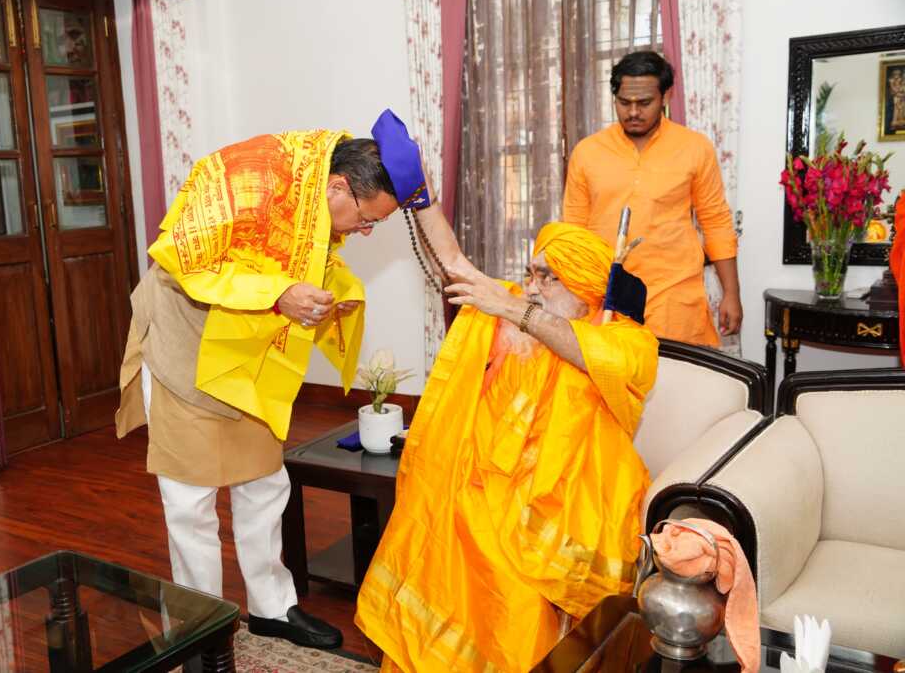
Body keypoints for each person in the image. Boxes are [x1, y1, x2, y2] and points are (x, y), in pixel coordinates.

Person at [115, 111, 430, 649]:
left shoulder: (318, 194)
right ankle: (200, 626)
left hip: (249, 348)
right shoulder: (245, 178)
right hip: (186, 341)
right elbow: (187, 263)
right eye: (367, 220)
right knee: (191, 500)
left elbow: (302, 258)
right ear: (339, 187)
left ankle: (271, 607)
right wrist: (281, 295)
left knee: (263, 483)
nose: (364, 232)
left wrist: (329, 294)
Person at [355, 201, 659, 671]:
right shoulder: (510, 317)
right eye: (530, 274)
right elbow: (454, 262)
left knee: (511, 586)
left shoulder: (626, 342)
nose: (531, 287)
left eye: (547, 278)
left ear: (585, 288)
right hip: (485, 486)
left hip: (567, 508)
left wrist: (515, 308)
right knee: (435, 533)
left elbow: (593, 355)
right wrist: (420, 197)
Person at [563, 50, 742, 347]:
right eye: (624, 102)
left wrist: (731, 294)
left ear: (666, 96)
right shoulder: (587, 152)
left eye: (644, 103)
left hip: (673, 297)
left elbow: (716, 223)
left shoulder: (694, 148)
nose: (633, 112)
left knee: (675, 376)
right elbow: (573, 231)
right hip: (604, 297)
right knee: (607, 376)